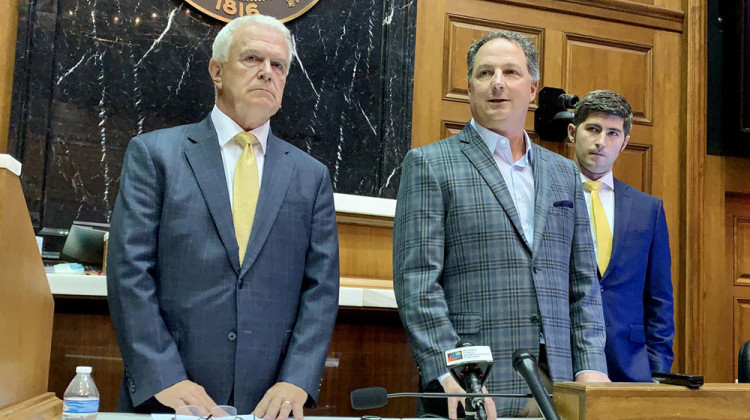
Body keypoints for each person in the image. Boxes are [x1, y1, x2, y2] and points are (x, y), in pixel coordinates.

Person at [107, 15, 340, 418]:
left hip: (271, 402)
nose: (267, 73)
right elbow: (129, 273)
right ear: (217, 71)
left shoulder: (311, 175)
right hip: (171, 397)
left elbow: (320, 288)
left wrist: (297, 378)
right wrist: (163, 376)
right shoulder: (155, 155)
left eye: (279, 65)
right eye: (252, 58)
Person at [392, 30, 610, 418]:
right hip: (474, 382)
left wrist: (591, 365)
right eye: (484, 73)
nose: (497, 83)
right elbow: (417, 282)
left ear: (532, 88)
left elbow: (583, 285)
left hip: (560, 381)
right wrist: (448, 373)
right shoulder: (429, 165)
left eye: (511, 72)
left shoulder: (563, 174)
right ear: (469, 87)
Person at [568, 89, 674, 382]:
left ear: (625, 142)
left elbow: (660, 297)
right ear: (572, 133)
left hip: (632, 364)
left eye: (613, 133)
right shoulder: (546, 197)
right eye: (593, 129)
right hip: (561, 360)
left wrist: (657, 368)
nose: (601, 142)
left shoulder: (648, 209)